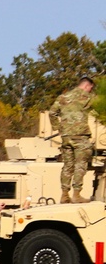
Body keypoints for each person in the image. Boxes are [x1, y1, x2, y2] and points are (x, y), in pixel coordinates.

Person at [49, 75, 96, 203]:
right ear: (87, 86)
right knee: (80, 165)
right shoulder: (88, 97)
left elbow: (52, 112)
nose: (90, 91)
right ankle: (76, 194)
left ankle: (64, 195)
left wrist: (58, 127)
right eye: (90, 88)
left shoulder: (63, 97)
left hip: (65, 137)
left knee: (67, 166)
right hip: (80, 136)